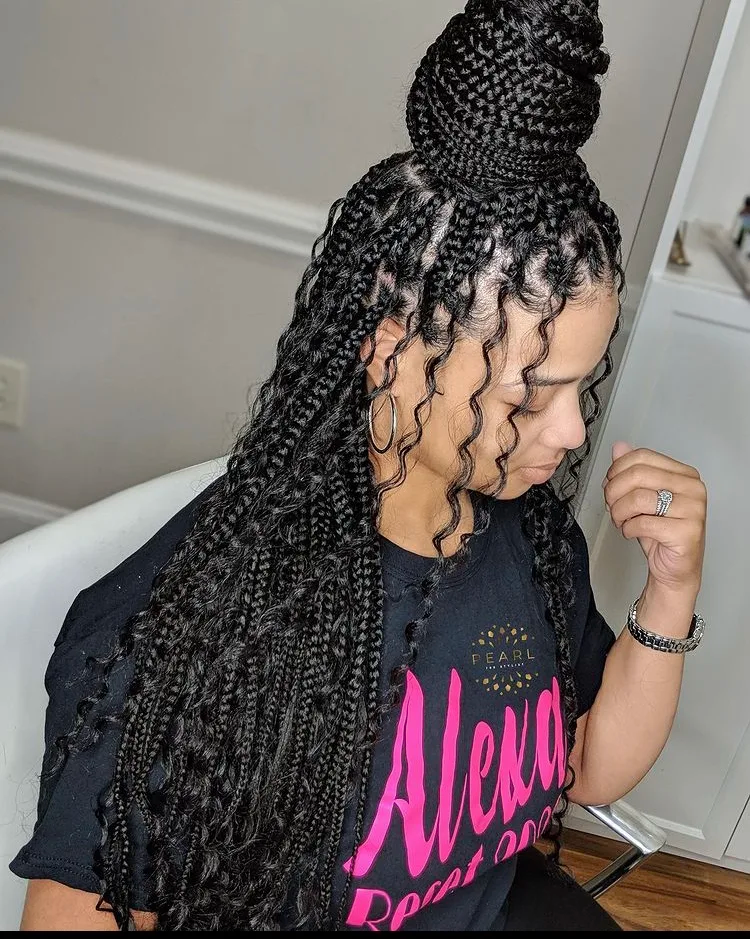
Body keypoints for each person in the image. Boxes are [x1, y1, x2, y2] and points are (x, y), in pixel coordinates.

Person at [10, 0, 708, 931]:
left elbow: (583, 767)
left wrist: (671, 591)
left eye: (584, 385)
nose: (573, 431)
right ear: (391, 348)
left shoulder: (528, 539)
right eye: (529, 396)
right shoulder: (185, 637)